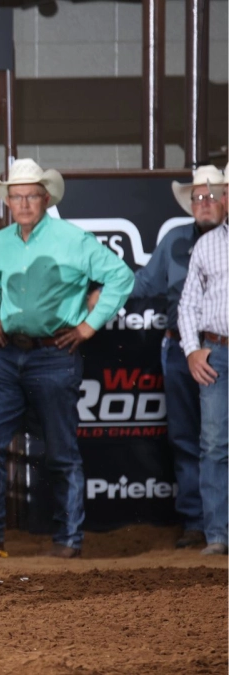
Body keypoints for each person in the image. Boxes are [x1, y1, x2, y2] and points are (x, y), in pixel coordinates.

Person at [0, 159, 134, 559]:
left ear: (45, 199)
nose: (24, 202)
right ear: (8, 201)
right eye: (17, 196)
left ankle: (69, 539)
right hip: (10, 353)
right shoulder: (2, 242)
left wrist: (88, 326)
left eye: (32, 195)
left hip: (54, 353)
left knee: (61, 451)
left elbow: (121, 276)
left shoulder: (72, 239)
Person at [129, 165, 227, 550]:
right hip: (183, 348)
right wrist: (102, 294)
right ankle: (198, 522)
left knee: (213, 441)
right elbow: (143, 285)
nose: (204, 203)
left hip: (214, 347)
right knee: (193, 440)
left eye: (210, 196)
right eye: (197, 198)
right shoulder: (175, 242)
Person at [176, 175, 228, 557]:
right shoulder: (207, 245)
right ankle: (217, 535)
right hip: (217, 351)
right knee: (213, 444)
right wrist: (193, 349)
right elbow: (188, 304)